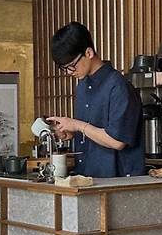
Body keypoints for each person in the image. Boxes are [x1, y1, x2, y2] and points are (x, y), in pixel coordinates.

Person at [47, 22, 145, 178]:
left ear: (89, 52)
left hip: (118, 181)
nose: (69, 72)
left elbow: (117, 141)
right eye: (64, 68)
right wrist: (71, 133)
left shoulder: (119, 87)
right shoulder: (82, 87)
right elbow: (92, 130)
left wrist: (77, 125)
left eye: (72, 65)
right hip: (88, 176)